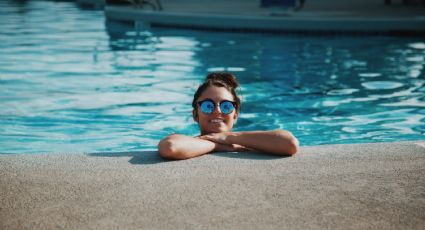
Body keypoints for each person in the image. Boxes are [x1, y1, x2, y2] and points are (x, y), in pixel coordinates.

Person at [158, 72, 299, 160]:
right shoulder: (188, 142)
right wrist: (217, 146)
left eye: (226, 106)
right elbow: (170, 146)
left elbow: (290, 143)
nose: (217, 111)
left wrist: (228, 137)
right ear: (195, 114)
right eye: (208, 105)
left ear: (235, 114)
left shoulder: (251, 141)